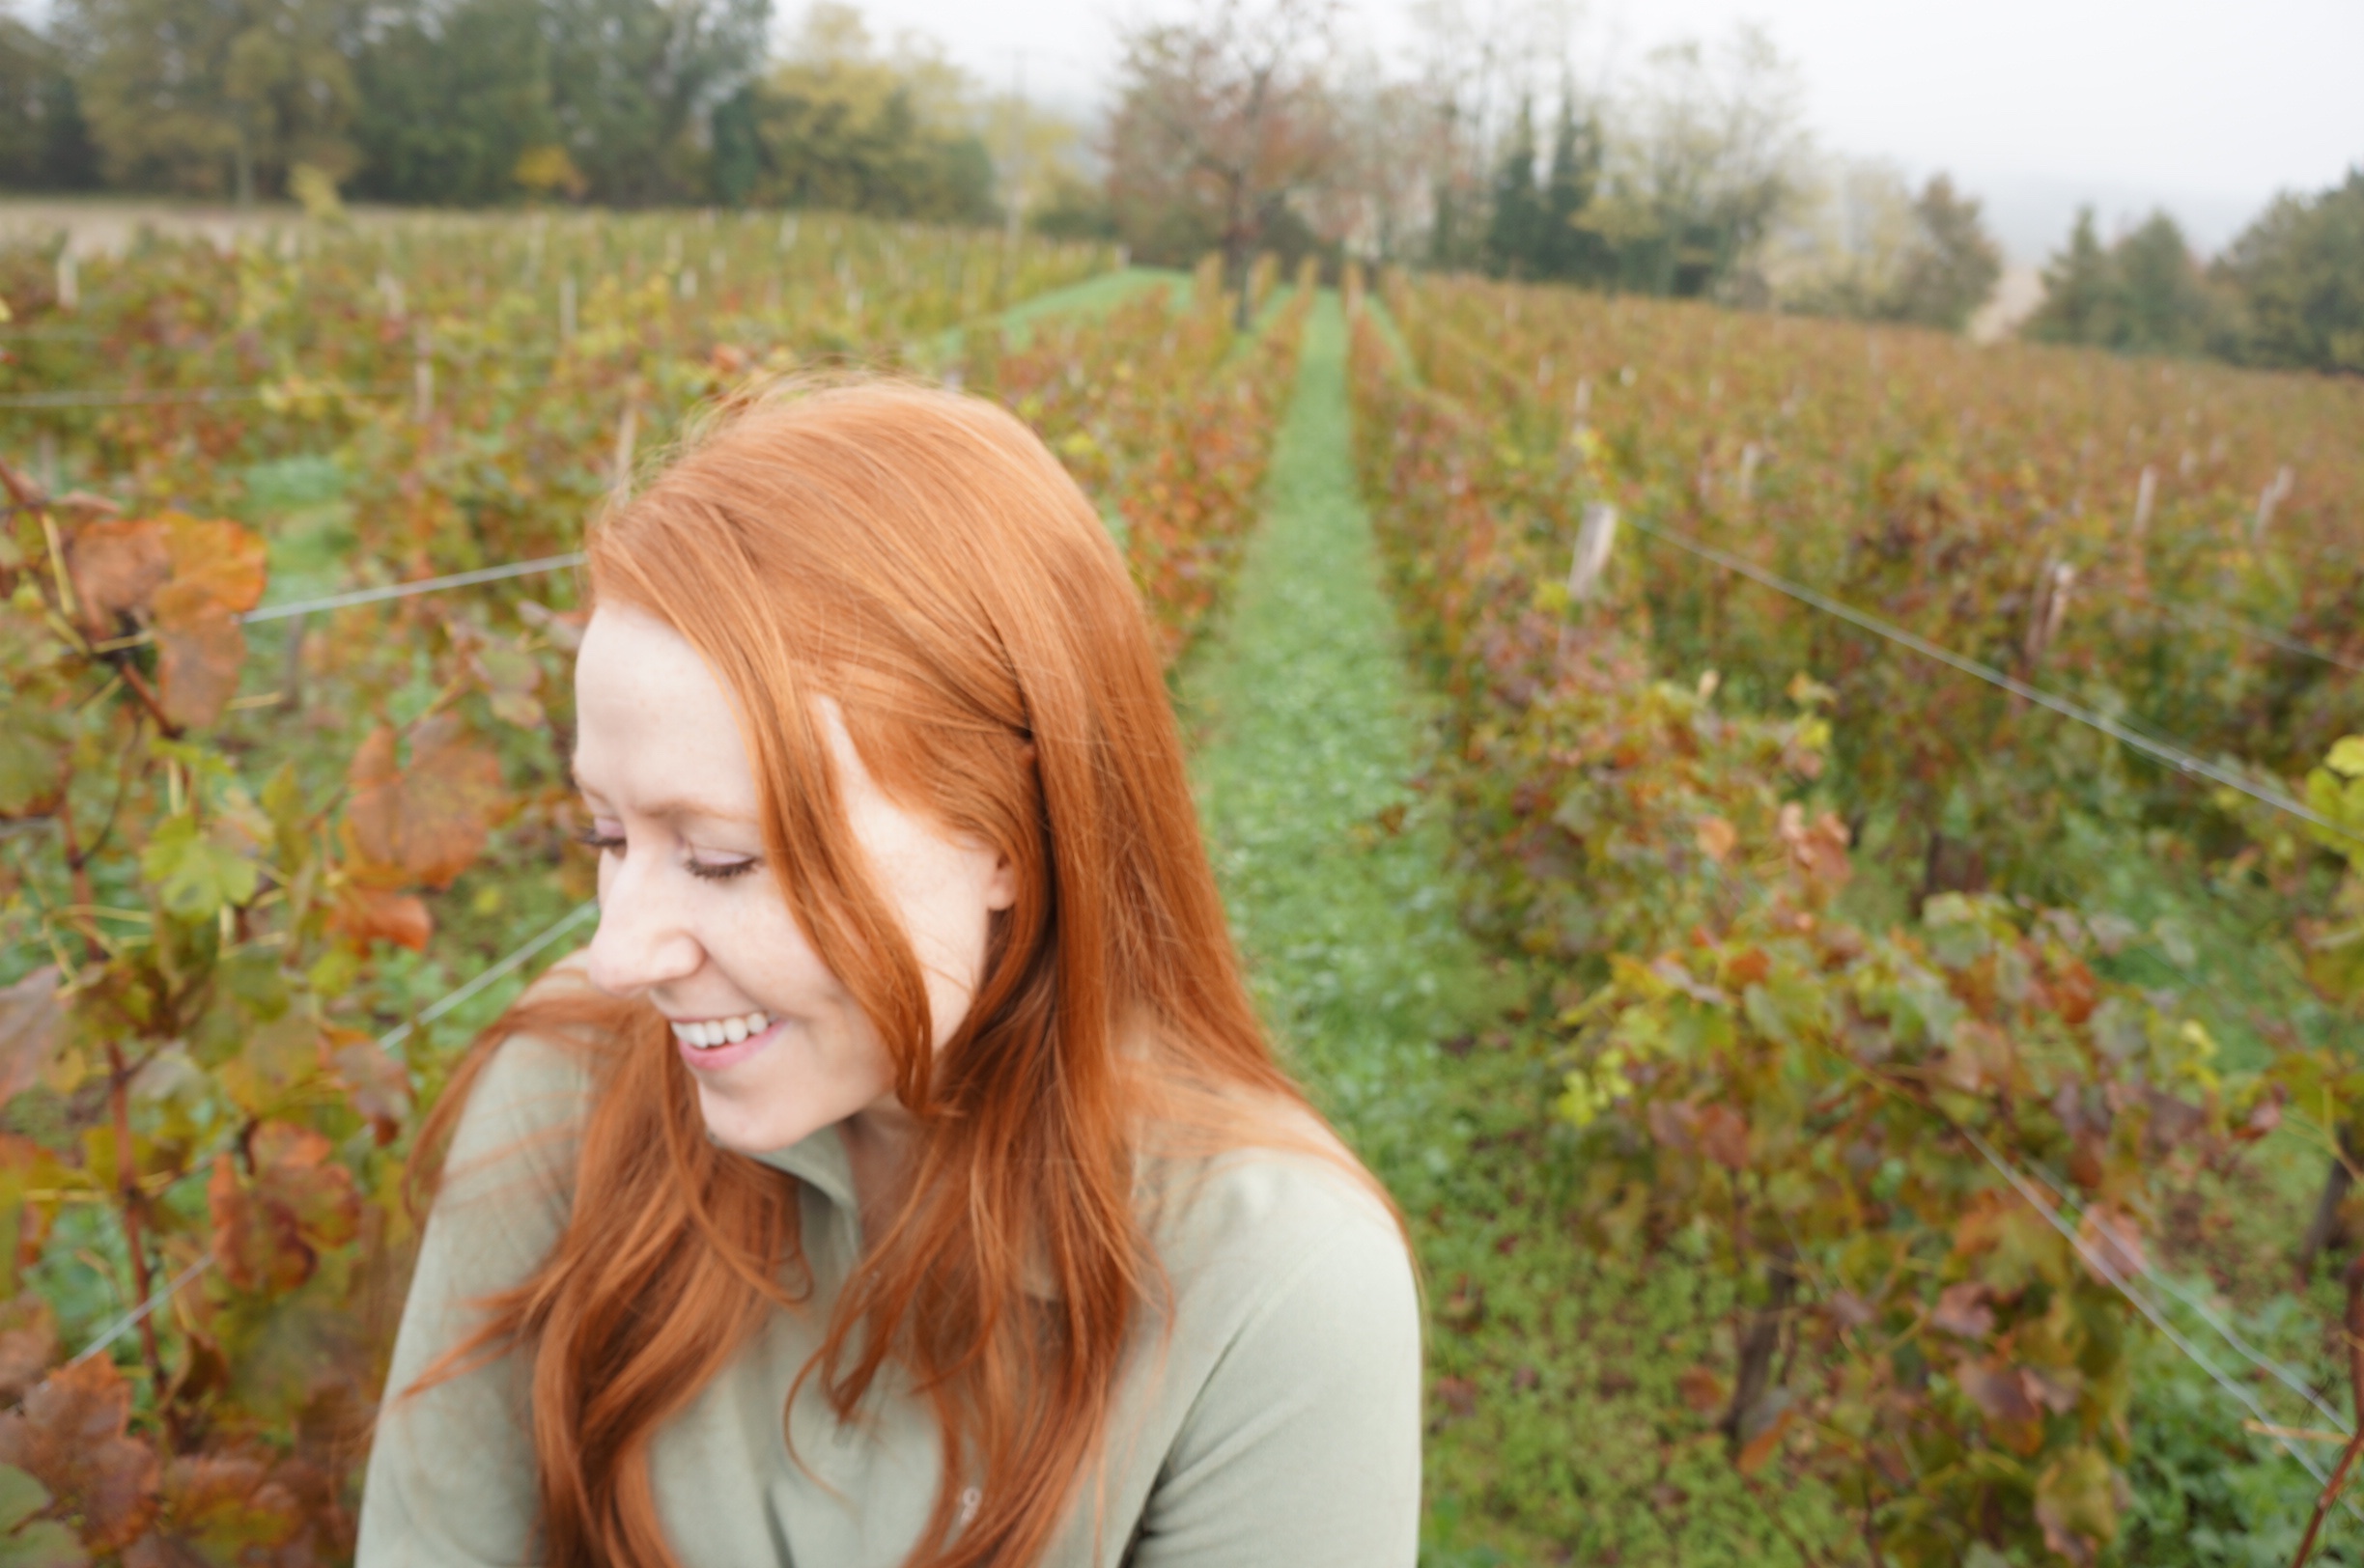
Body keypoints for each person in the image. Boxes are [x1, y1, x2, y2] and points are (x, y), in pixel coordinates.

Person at [354, 378, 1422, 1568]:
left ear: (1010, 838)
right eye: (607, 836)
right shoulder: (566, 1085)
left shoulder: (1280, 1287)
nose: (619, 953)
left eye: (723, 858)